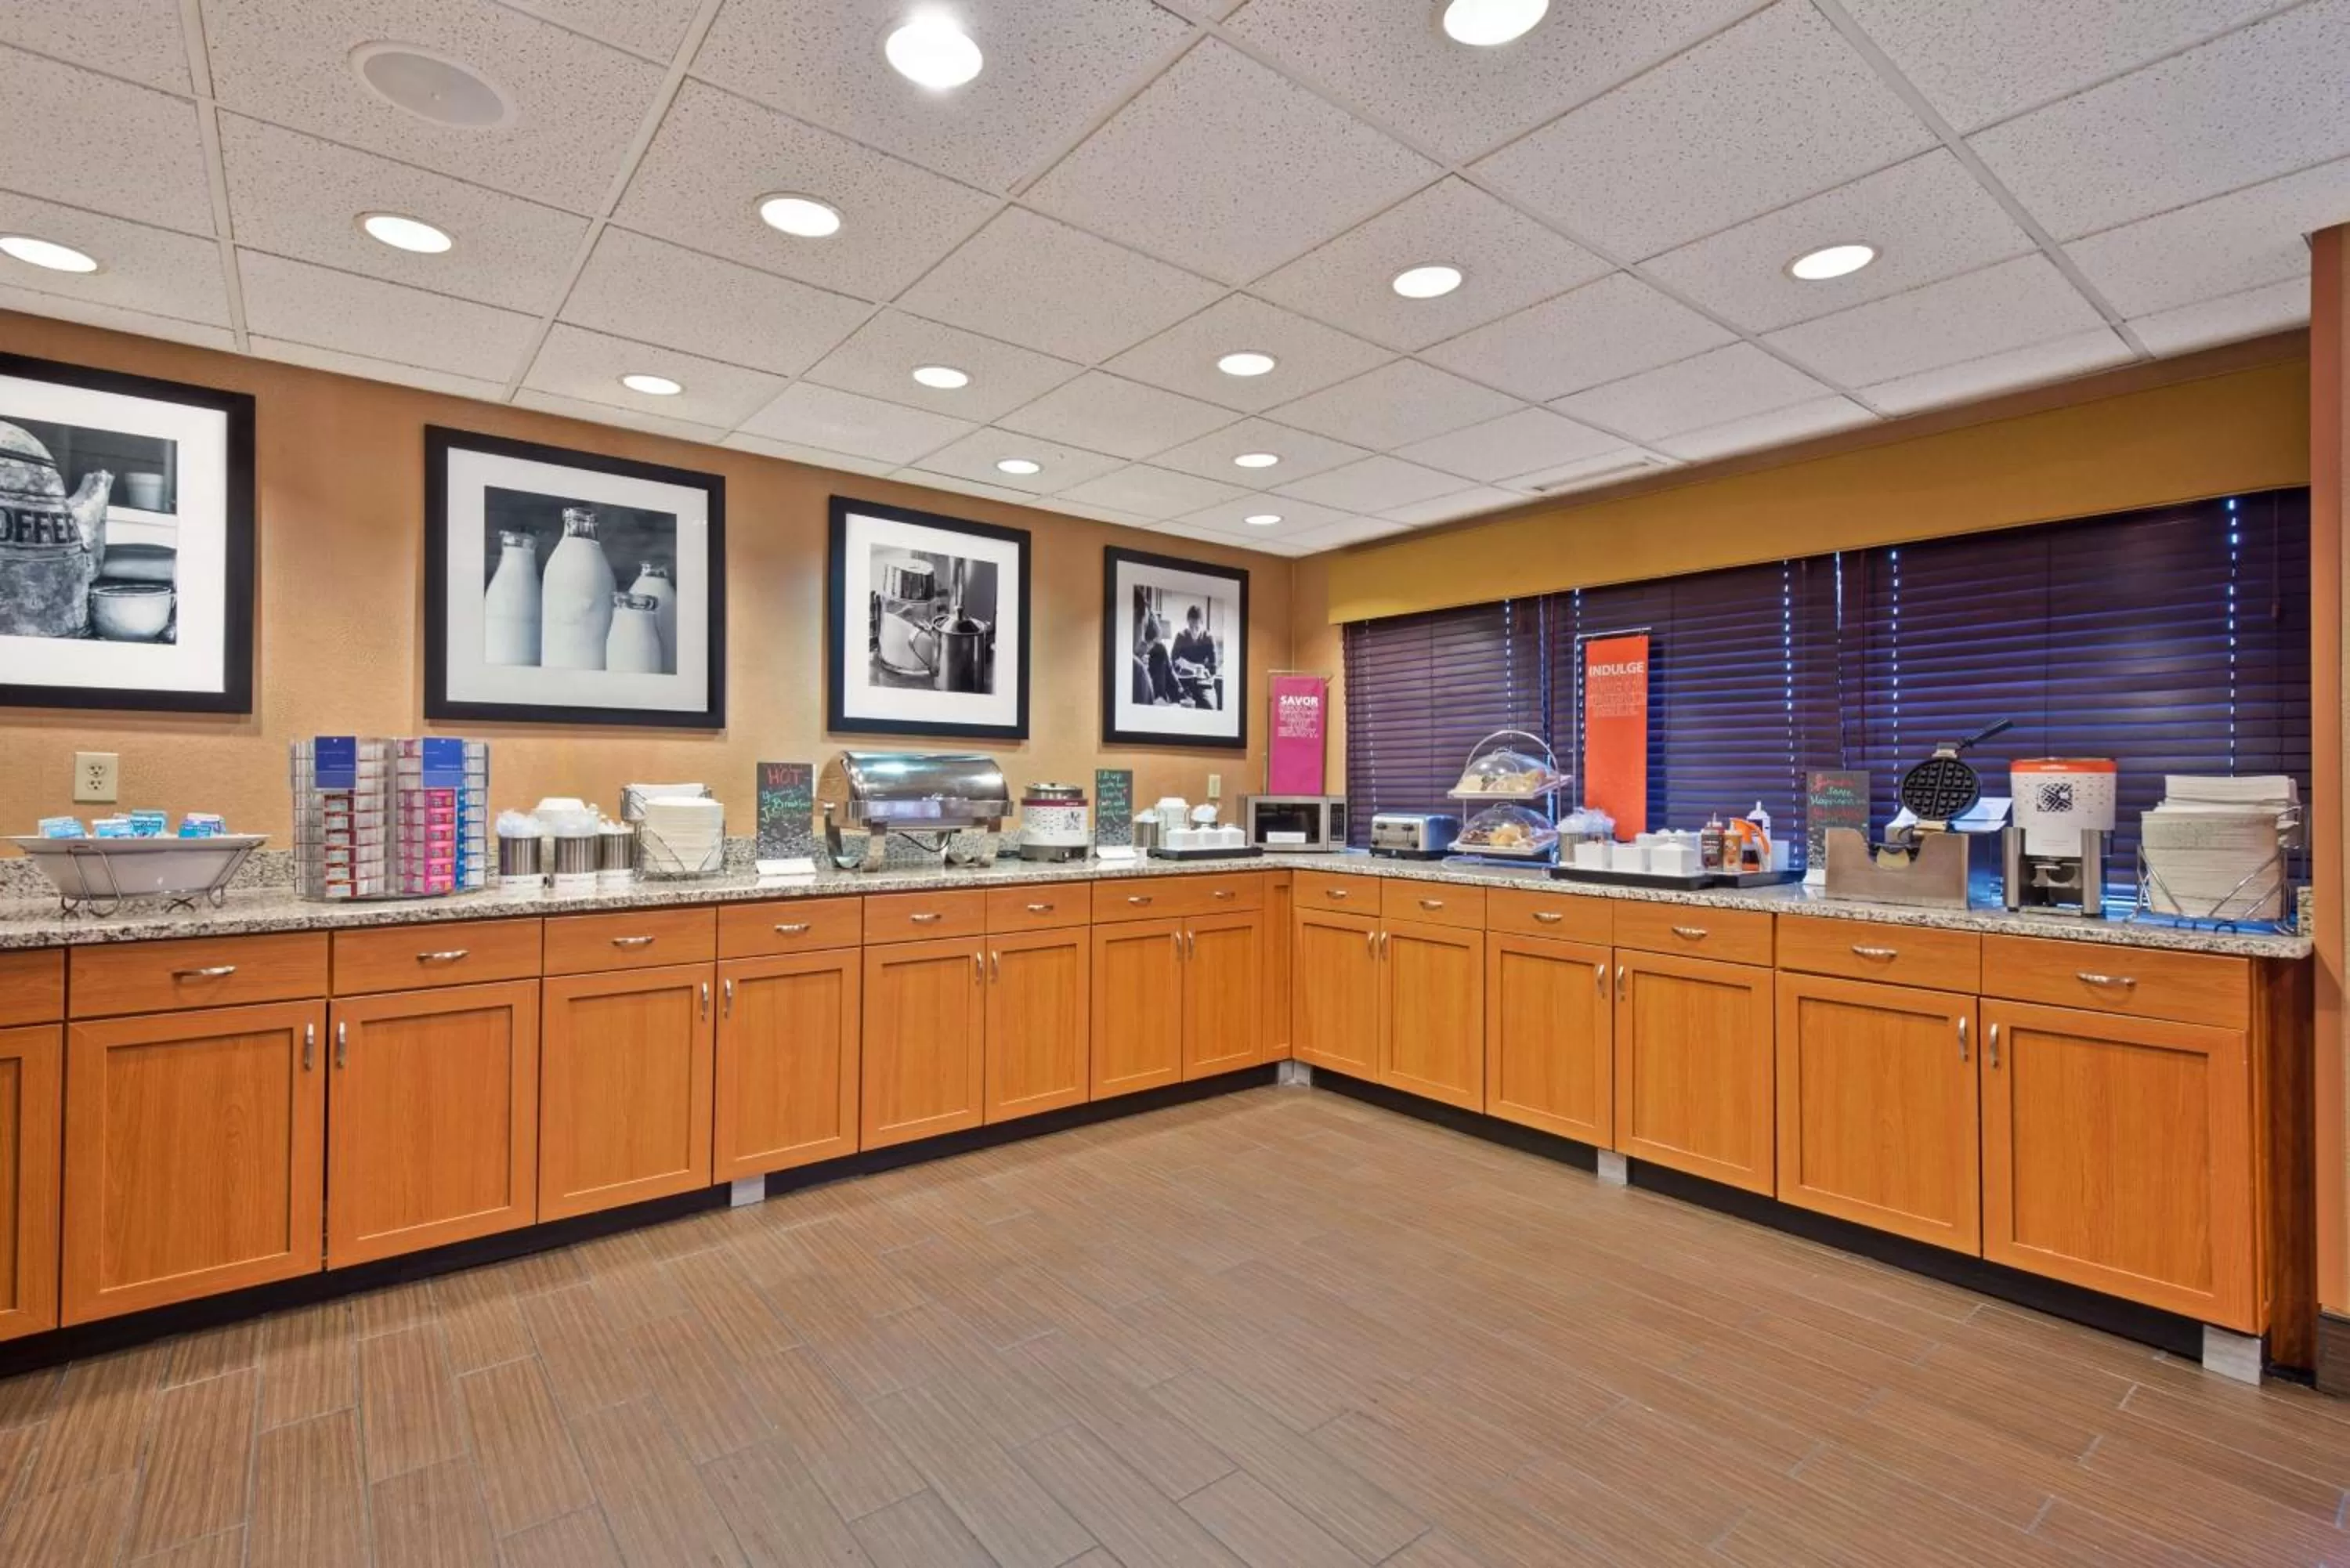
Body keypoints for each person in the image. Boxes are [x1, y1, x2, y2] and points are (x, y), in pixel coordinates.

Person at [1170, 605, 1218, 708]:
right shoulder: (1181, 636)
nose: (1193, 632)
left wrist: (1190, 665)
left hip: (1202, 683)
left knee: (1209, 706)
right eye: (1191, 627)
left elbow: (1213, 667)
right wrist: (1181, 665)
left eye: (1197, 628)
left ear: (1202, 624)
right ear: (1188, 623)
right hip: (1183, 682)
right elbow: (1172, 661)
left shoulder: (1208, 638)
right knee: (1177, 705)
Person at [1135, 610, 1180, 704]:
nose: (1148, 649)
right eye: (1145, 644)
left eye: (1153, 643)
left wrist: (1183, 698)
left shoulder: (1160, 650)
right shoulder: (1133, 662)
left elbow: (1172, 681)